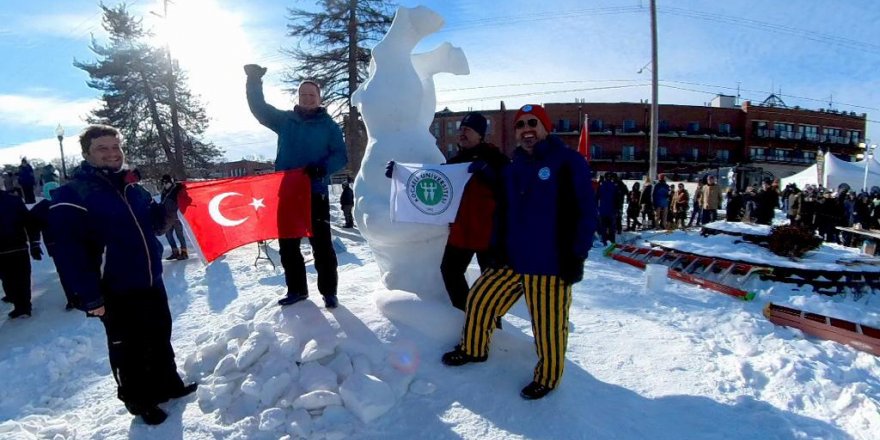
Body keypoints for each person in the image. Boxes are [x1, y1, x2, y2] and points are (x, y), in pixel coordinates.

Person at [441, 104, 597, 400]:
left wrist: (577, 255)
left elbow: (587, 213)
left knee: (548, 327)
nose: (527, 129)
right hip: (512, 259)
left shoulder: (567, 162)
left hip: (550, 263)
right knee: (480, 299)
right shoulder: (514, 167)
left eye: (532, 123)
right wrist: (497, 246)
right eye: (521, 125)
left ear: (545, 127)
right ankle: (474, 348)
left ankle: (548, 378)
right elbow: (503, 212)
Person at [48, 125, 196, 425]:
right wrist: (90, 296)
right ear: (87, 153)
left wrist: (169, 202)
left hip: (150, 279)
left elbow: (156, 225)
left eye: (116, 147)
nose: (112, 153)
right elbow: (69, 252)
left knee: (158, 335)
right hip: (114, 287)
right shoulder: (73, 193)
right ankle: (139, 400)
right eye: (103, 148)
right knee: (128, 348)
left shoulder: (133, 186)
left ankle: (167, 384)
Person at [244, 64, 348, 308]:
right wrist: (253, 80)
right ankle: (297, 290)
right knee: (288, 245)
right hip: (287, 193)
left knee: (322, 246)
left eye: (312, 95)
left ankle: (329, 292)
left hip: (315, 193)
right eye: (303, 95)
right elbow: (259, 110)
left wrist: (322, 168)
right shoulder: (285, 121)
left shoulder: (329, 127)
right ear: (299, 98)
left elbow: (341, 155)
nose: (308, 98)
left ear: (319, 98)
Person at [438, 112, 509, 313]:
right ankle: (468, 316)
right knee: (449, 272)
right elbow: (433, 181)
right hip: (462, 232)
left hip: (490, 235)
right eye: (461, 129)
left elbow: (511, 189)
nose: (462, 133)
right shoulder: (455, 162)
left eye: (467, 130)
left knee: (492, 285)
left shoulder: (497, 159)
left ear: (480, 134)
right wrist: (402, 175)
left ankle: (495, 331)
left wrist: (490, 174)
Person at [30, 182, 77, 310]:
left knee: (64, 271)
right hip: (71, 241)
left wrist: (34, 243)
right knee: (76, 267)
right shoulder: (68, 201)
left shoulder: (41, 207)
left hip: (56, 244)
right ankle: (77, 295)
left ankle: (72, 297)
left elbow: (32, 225)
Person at [0, 190, 41, 318]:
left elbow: (29, 222)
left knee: (19, 277)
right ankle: (20, 304)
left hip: (17, 246)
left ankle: (23, 306)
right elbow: (30, 222)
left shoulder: (13, 200)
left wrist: (35, 242)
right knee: (10, 278)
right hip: (13, 247)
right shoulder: (14, 200)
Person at [159, 174, 188, 260]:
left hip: (176, 216)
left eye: (166, 182)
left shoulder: (177, 189)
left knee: (179, 234)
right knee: (168, 235)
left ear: (170, 182)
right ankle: (175, 252)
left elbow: (185, 199)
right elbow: (162, 203)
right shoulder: (164, 192)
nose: (165, 184)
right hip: (167, 217)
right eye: (163, 183)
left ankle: (184, 252)